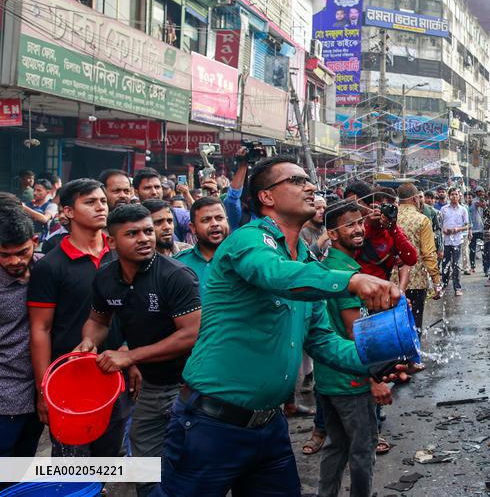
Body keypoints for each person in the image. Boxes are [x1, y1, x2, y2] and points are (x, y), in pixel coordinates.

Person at [155, 157, 402, 496]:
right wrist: (352, 280)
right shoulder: (249, 241)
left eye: (308, 180)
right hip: (211, 427)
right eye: (298, 181)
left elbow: (323, 342)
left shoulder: (304, 259)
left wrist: (382, 355)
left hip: (269, 429)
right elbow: (274, 275)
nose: (311, 186)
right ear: (267, 197)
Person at [78, 204, 201, 497]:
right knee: (145, 461)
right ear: (111, 241)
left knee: (189, 461)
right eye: (132, 234)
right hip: (150, 386)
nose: (145, 238)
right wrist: (88, 342)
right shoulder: (106, 278)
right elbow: (98, 320)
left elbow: (191, 335)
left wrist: (130, 356)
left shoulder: (176, 275)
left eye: (148, 230)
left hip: (191, 385)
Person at [27, 178, 130, 457]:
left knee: (108, 458)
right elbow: (40, 328)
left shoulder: (121, 256)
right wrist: (43, 389)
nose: (101, 207)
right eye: (90, 202)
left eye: (102, 201)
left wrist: (133, 354)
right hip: (69, 380)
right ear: (68, 212)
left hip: (115, 375)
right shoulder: (51, 265)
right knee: (71, 463)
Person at [315, 201, 394, 496]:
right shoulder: (346, 274)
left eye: (360, 223)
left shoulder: (328, 266)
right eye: (349, 225)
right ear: (332, 234)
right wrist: (374, 379)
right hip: (351, 381)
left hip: (328, 377)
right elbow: (353, 332)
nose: (359, 229)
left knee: (336, 446)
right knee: (362, 451)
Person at [0, 204, 44, 460]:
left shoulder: (46, 271)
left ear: (34, 242)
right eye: (4, 255)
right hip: (5, 395)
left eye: (21, 252)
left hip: (38, 393)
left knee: (23, 461)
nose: (14, 261)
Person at [343, 183, 417, 281]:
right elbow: (346, 260)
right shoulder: (353, 230)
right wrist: (367, 225)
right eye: (377, 207)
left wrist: (393, 228)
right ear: (368, 206)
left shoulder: (392, 231)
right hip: (358, 289)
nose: (380, 211)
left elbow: (411, 259)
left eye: (386, 207)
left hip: (382, 290)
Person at [395, 183, 441, 330]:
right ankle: (414, 352)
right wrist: (436, 281)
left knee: (395, 325)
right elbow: (428, 253)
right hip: (416, 281)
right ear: (415, 199)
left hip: (392, 281)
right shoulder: (422, 220)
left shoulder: (389, 218)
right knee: (414, 324)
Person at [174, 197, 230, 294]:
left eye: (219, 218)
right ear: (193, 228)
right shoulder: (178, 264)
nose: (214, 224)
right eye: (206, 220)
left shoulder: (243, 259)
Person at [134, 168, 190, 243]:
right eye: (147, 188)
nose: (154, 192)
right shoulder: (131, 217)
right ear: (136, 192)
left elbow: (200, 220)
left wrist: (187, 195)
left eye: (157, 187)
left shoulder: (177, 214)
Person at [439, 188, 470, 296]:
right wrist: (444, 230)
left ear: (459, 196)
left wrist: (457, 229)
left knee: (456, 265)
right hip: (446, 241)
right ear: (449, 196)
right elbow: (439, 224)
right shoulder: (443, 209)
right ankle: (443, 286)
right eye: (452, 194)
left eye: (456, 194)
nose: (454, 196)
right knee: (445, 264)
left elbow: (467, 225)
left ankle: (457, 287)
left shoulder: (463, 210)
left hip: (457, 240)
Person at [468, 189, 486, 273]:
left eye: (482, 192)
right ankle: (472, 266)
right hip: (473, 230)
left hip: (482, 229)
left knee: (484, 249)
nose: (481, 193)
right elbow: (480, 205)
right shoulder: (475, 201)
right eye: (479, 192)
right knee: (472, 249)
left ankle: (486, 268)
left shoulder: (484, 201)